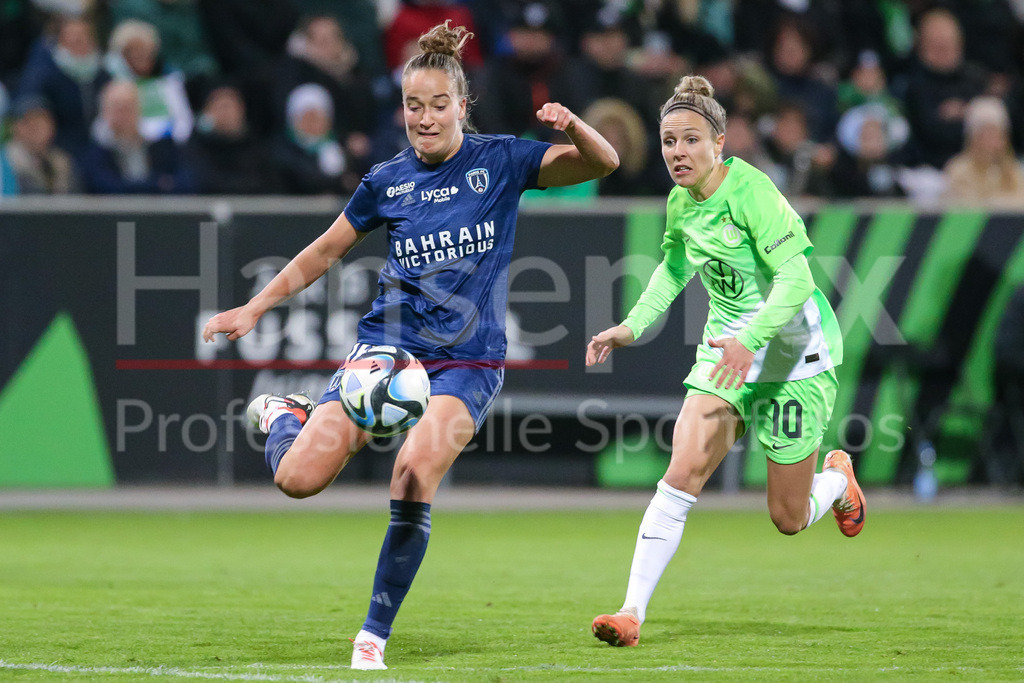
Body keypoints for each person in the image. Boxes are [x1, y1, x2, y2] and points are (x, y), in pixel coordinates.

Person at [201, 22, 617, 670]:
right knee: (298, 480)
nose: (424, 118)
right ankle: (288, 414)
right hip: (388, 351)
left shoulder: (500, 161)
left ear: (462, 105)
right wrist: (255, 305)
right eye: (413, 105)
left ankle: (372, 635)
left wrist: (573, 126)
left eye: (438, 105)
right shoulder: (386, 180)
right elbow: (324, 251)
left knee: (414, 472)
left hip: (467, 361)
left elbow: (603, 163)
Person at [586, 75, 864, 648]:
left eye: (690, 140)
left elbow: (797, 279)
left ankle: (836, 479)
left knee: (788, 517)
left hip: (792, 356)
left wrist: (753, 340)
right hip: (725, 353)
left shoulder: (754, 193)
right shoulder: (679, 201)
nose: (677, 153)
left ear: (720, 143)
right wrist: (631, 325)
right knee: (680, 473)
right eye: (668, 141)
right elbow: (673, 267)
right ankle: (631, 612)